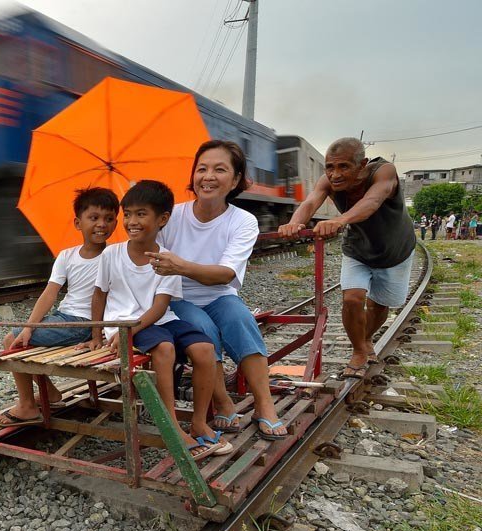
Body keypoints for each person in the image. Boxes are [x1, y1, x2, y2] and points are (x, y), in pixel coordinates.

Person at [150, 140, 288, 439]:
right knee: (202, 329)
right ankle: (222, 401)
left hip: (219, 294)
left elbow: (225, 275)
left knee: (241, 321)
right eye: (202, 169)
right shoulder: (170, 217)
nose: (208, 176)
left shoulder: (242, 221)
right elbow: (147, 255)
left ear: (236, 179)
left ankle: (265, 405)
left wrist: (181, 265)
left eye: (219, 169)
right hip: (178, 298)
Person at [89, 180, 230, 457]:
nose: (131, 221)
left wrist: (133, 331)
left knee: (205, 349)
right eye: (127, 214)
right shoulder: (111, 254)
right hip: (123, 323)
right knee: (164, 349)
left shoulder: (168, 260)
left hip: (158, 319)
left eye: (141, 214)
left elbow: (160, 305)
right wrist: (97, 334)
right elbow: (99, 296)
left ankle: (199, 423)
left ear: (162, 219)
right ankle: (171, 425)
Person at [279, 137, 416, 379]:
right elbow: (310, 201)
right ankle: (359, 351)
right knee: (352, 298)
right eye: (330, 167)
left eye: (343, 166)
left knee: (378, 304)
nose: (335, 174)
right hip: (358, 249)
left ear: (362, 164)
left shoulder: (383, 172)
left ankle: (365, 339)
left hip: (395, 250)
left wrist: (339, 220)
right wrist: (293, 223)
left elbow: (372, 201)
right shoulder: (329, 181)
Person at [0, 187, 119, 427]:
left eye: (109, 219)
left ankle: (27, 406)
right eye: (93, 218)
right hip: (63, 317)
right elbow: (49, 293)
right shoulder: (67, 256)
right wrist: (29, 327)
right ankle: (50, 394)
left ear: (116, 222)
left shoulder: (114, 256)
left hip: (83, 323)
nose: (101, 224)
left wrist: (101, 332)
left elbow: (112, 298)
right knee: (18, 337)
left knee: (10, 341)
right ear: (78, 222)